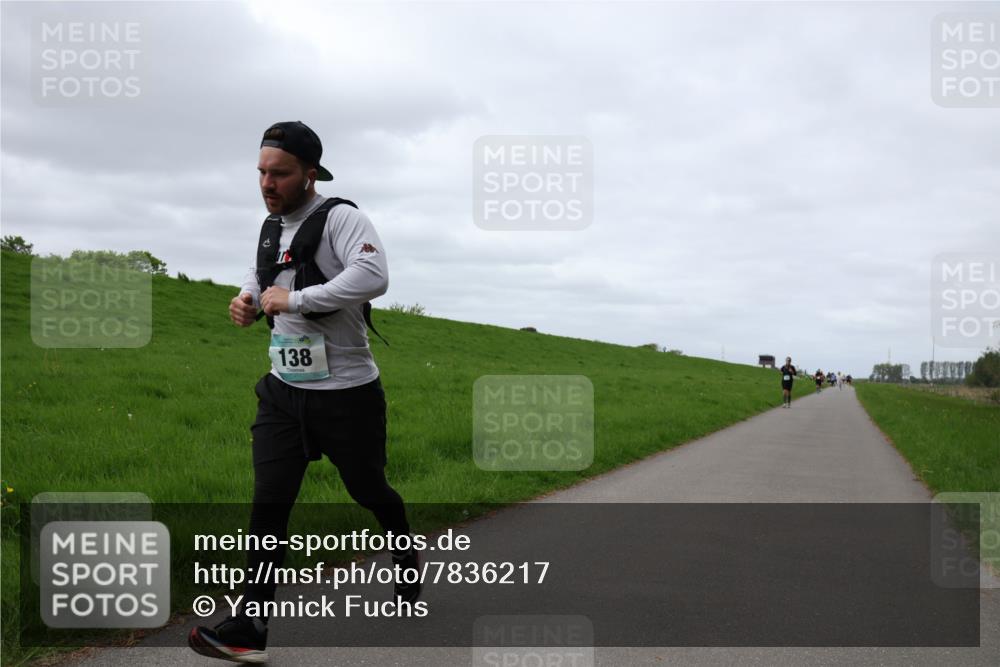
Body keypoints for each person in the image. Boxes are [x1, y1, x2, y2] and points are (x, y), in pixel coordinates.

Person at [189, 121, 418, 663]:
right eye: (262, 172)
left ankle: (405, 553)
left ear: (310, 174)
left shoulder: (341, 218)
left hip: (347, 395)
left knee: (369, 490)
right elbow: (259, 276)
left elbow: (374, 276)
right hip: (283, 391)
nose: (267, 184)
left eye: (281, 173)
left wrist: (295, 302)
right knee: (269, 504)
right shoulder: (271, 226)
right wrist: (245, 302)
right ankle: (249, 629)